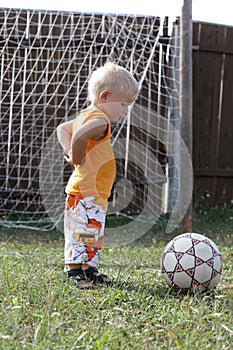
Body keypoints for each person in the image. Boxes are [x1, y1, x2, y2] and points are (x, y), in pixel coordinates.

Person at [57, 62, 139, 287]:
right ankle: (75, 273)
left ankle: (88, 270)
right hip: (88, 191)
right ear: (105, 96)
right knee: (83, 231)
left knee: (89, 232)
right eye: (123, 104)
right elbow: (80, 134)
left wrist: (71, 149)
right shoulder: (100, 120)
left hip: (89, 190)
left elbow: (63, 129)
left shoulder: (86, 114)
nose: (125, 111)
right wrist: (76, 155)